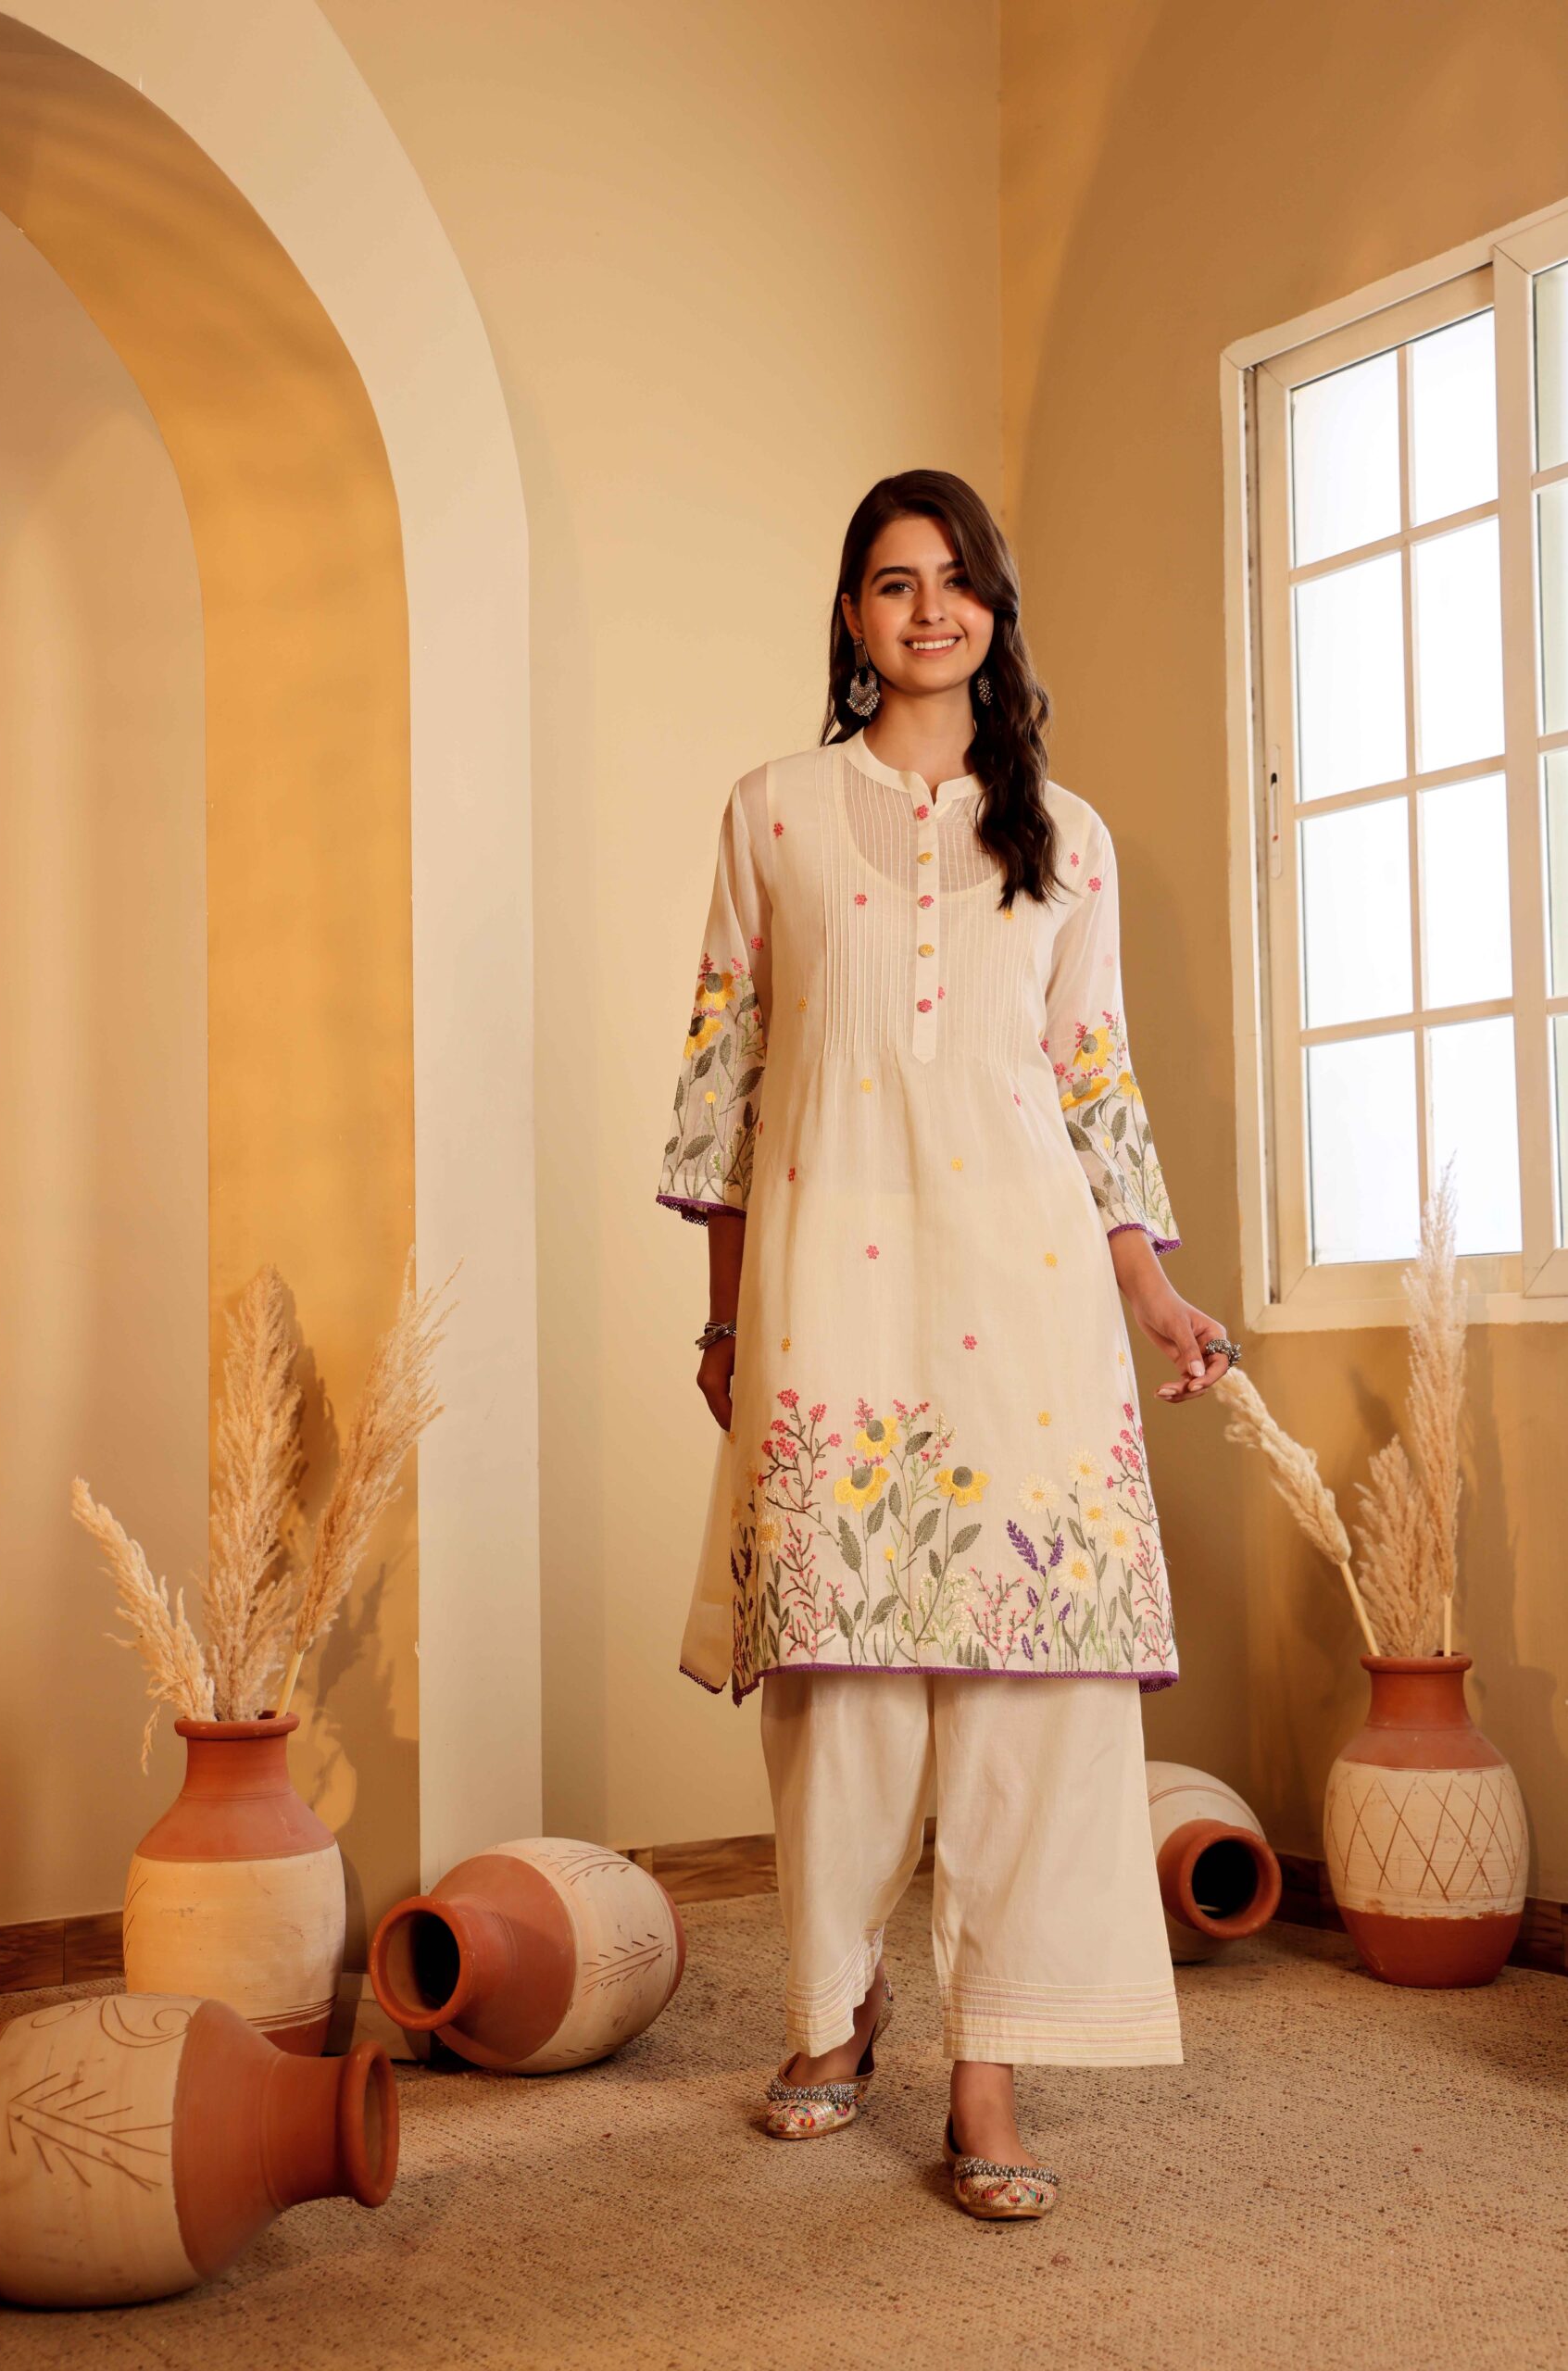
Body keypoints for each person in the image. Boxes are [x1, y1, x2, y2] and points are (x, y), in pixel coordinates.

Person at [656, 468, 1238, 2222]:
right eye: (896, 582)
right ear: (852, 614)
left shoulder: (1071, 836)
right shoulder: (771, 811)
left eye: (958, 578)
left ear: (994, 606)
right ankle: (836, 2008)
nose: (931, 609)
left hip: (1032, 1293)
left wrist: (1153, 1295)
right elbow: (727, 1081)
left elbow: (1093, 1085)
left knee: (1028, 1682)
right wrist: (726, 1313)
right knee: (839, 1674)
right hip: (833, 1284)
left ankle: (991, 2067)